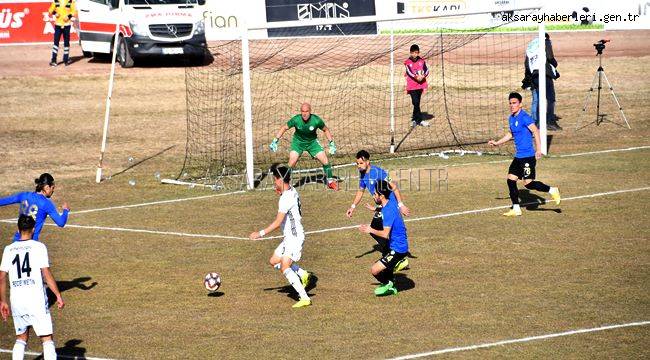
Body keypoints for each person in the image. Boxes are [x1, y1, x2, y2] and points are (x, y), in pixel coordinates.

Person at [0, 215, 65, 360]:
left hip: (17, 300)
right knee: (47, 339)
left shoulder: (8, 249)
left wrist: (3, 301)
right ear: (34, 229)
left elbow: (2, 276)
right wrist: (58, 295)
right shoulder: (39, 247)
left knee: (21, 338)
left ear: (18, 229)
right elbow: (46, 273)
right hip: (36, 299)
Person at [488, 92, 561, 217]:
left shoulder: (525, 117)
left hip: (528, 157)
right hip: (518, 157)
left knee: (528, 184)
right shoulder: (511, 118)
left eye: (514, 103)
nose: (512, 105)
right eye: (510, 103)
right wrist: (497, 143)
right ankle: (516, 208)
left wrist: (539, 149)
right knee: (511, 180)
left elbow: (536, 131)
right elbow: (510, 134)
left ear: (520, 104)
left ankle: (552, 190)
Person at [249, 164, 312, 308]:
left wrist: (260, 234)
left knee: (284, 266)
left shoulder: (285, 199)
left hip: (294, 238)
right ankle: (302, 274)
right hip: (289, 237)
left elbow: (278, 222)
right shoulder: (291, 191)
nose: (274, 182)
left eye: (275, 179)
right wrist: (280, 192)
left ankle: (304, 298)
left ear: (279, 179)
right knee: (274, 261)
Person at [346, 150, 410, 272]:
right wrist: (352, 207)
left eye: (360, 163)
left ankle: (395, 257)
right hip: (382, 206)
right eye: (357, 164)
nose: (358, 166)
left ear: (367, 162)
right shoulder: (363, 174)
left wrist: (401, 205)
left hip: (390, 205)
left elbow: (394, 187)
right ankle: (393, 255)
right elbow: (360, 191)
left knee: (375, 228)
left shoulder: (379, 172)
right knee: (377, 229)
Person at [269, 103, 339, 191]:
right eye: (302, 111)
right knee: (292, 162)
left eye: (306, 111)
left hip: (312, 143)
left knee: (325, 161)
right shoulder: (296, 119)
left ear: (310, 112)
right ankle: (283, 184)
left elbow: (326, 129)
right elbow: (284, 127)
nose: (304, 113)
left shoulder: (316, 120)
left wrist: (331, 143)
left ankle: (330, 182)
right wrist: (275, 141)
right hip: (298, 143)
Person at [359, 180, 409, 297]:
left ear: (381, 196)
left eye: (375, 194)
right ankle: (392, 273)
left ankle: (389, 285)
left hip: (398, 249)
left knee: (374, 270)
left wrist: (370, 229)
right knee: (384, 267)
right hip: (396, 245)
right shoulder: (390, 201)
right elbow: (394, 188)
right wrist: (375, 209)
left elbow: (384, 234)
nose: (373, 195)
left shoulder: (388, 211)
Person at [0, 173, 70, 241]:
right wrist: (65, 210)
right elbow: (61, 223)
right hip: (32, 243)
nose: (53, 190)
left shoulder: (24, 195)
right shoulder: (46, 204)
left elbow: (3, 201)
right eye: (52, 188)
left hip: (17, 240)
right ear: (47, 187)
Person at [523, 33, 561, 130]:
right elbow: (550, 57)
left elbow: (527, 64)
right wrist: (555, 64)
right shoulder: (545, 41)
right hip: (545, 73)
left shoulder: (530, 46)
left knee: (539, 99)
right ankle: (550, 122)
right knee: (550, 98)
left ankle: (539, 122)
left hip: (534, 75)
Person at [404, 44, 430, 127]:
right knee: (415, 102)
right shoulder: (408, 62)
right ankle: (419, 120)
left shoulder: (422, 61)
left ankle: (415, 120)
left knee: (417, 102)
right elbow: (409, 72)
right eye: (413, 52)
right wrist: (416, 77)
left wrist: (423, 76)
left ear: (418, 53)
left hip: (420, 85)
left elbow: (427, 70)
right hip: (412, 86)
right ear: (410, 53)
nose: (414, 54)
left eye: (416, 52)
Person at [48, 0, 76, 67]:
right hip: (58, 25)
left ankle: (66, 60)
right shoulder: (56, 1)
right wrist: (55, 13)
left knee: (66, 42)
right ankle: (54, 60)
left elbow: (74, 11)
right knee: (56, 42)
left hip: (67, 25)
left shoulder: (71, 1)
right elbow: (50, 10)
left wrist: (68, 16)